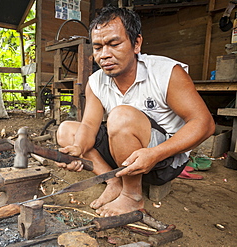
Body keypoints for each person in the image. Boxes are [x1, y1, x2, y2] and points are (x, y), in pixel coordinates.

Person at [56, 5, 215, 217]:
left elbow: (205, 124)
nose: (104, 55)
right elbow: (88, 125)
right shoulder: (96, 81)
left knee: (121, 116)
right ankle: (113, 182)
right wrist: (77, 149)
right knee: (67, 130)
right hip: (122, 156)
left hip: (161, 162)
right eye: (97, 47)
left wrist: (154, 153)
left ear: (136, 43)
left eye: (114, 44)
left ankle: (133, 196)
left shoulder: (166, 72)